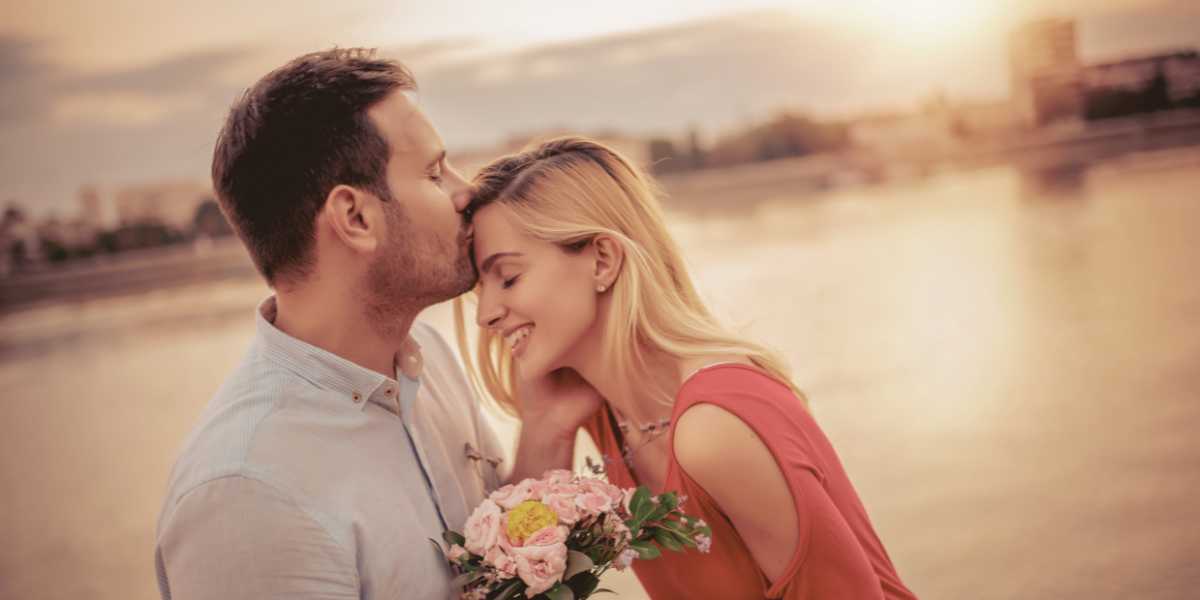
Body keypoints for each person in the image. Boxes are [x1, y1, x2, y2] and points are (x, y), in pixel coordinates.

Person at [154, 48, 580, 599]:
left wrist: (547, 424)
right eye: (433, 172)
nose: (464, 190)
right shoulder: (249, 494)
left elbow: (504, 586)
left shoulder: (426, 356)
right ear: (355, 218)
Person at [461, 136, 919, 599]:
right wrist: (546, 427)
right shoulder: (614, 422)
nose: (486, 315)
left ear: (602, 259)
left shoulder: (713, 428)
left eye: (510, 278)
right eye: (482, 290)